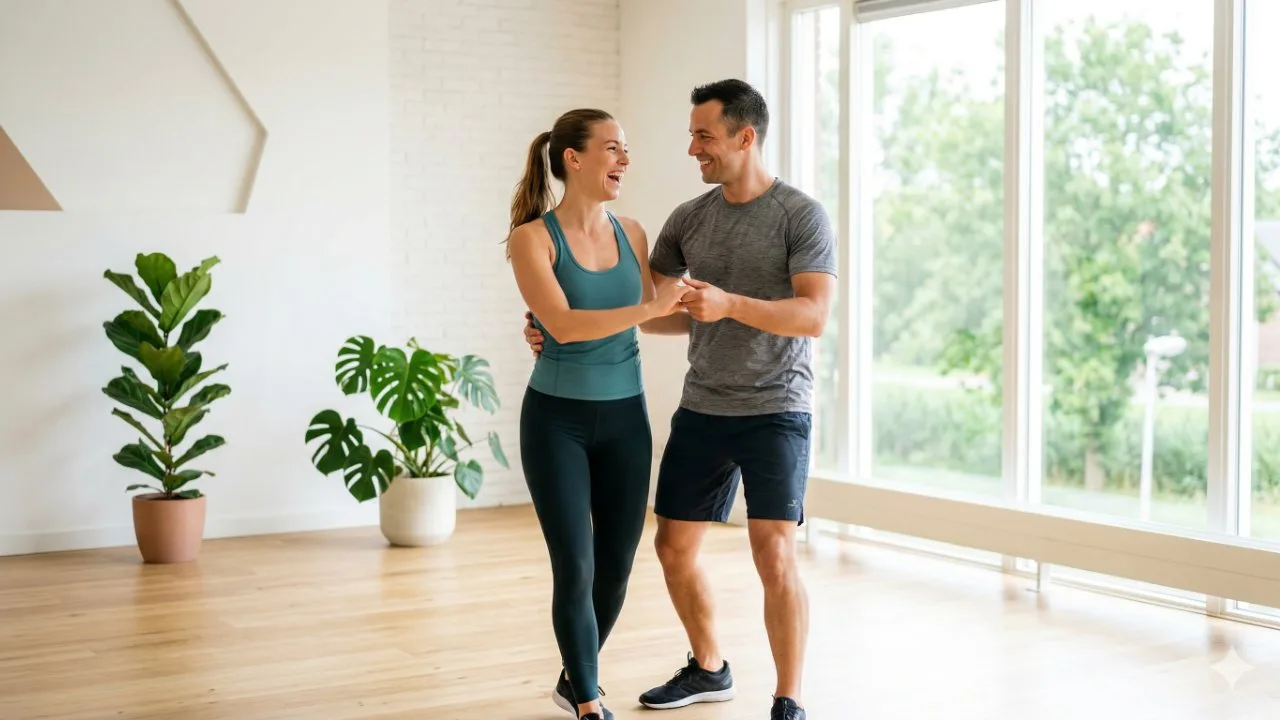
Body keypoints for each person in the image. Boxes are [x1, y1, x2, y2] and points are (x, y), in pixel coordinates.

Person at [523, 79, 836, 720]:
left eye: (704, 135)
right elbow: (654, 312)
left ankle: (788, 697)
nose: (692, 147)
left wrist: (726, 304)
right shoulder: (689, 219)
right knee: (670, 547)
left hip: (777, 407)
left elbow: (812, 316)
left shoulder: (800, 215)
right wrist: (553, 323)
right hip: (702, 407)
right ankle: (708, 667)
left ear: (745, 137)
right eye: (693, 134)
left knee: (773, 548)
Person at [506, 107, 689, 720]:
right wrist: (650, 306)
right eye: (612, 148)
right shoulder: (532, 238)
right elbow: (562, 325)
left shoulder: (632, 232)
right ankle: (588, 701)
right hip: (556, 421)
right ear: (573, 159)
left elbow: (655, 314)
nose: (624, 160)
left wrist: (723, 317)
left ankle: (571, 676)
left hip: (625, 420)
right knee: (576, 563)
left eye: (626, 148)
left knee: (616, 565)